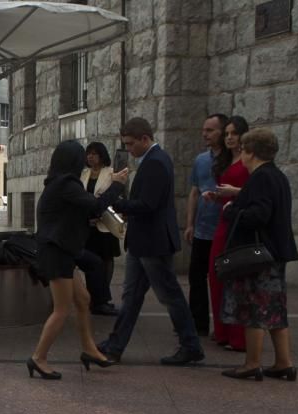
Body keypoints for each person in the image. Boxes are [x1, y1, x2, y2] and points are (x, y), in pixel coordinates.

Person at [98, 118, 204, 366]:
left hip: (153, 242)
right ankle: (115, 346)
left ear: (145, 139)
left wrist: (119, 203)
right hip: (143, 241)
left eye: (131, 144)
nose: (129, 149)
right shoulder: (154, 160)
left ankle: (190, 345)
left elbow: (148, 205)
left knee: (169, 295)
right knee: (131, 296)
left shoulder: (156, 162)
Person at [28, 141, 127, 379]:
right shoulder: (66, 183)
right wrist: (117, 185)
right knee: (62, 310)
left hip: (62, 249)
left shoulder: (59, 183)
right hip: (57, 251)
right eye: (82, 157)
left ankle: (89, 349)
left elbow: (80, 211)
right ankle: (38, 358)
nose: (85, 160)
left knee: (83, 300)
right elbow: (95, 206)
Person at [219, 128, 298, 381]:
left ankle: (252, 363)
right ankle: (283, 362)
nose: (240, 153)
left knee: (255, 308)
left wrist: (231, 210)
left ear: (250, 152)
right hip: (275, 251)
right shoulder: (277, 176)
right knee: (275, 309)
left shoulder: (260, 177)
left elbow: (259, 214)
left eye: (243, 148)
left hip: (259, 255)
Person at [206, 115, 249, 352]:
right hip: (224, 221)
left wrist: (235, 191)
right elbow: (226, 193)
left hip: (241, 224)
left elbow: (258, 191)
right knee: (216, 274)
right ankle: (222, 331)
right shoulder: (224, 160)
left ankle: (239, 336)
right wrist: (216, 196)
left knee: (237, 277)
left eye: (234, 133)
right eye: (228, 134)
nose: (230, 138)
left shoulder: (249, 160)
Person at [184, 114, 228, 336]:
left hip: (224, 229)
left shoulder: (233, 159)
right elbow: (194, 192)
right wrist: (190, 223)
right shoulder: (201, 160)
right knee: (196, 276)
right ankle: (197, 322)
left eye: (210, 130)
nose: (205, 134)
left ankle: (224, 325)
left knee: (221, 279)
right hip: (202, 228)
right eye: (204, 130)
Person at [80, 142, 121, 315]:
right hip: (88, 225)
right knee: (91, 262)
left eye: (95, 154)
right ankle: (94, 298)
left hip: (105, 223)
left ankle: (103, 298)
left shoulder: (111, 173)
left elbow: (116, 197)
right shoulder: (83, 173)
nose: (91, 157)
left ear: (102, 155)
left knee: (106, 260)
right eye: (89, 153)